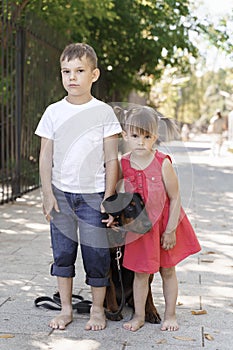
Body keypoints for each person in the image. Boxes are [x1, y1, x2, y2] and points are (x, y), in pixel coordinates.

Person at [35, 43, 122, 331]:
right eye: (66, 71)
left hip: (93, 196)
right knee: (62, 253)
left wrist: (109, 199)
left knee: (96, 254)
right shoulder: (53, 112)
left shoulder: (103, 112)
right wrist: (47, 194)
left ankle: (97, 310)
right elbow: (46, 155)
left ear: (94, 74)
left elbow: (112, 158)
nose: (72, 77)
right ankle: (66, 309)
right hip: (61, 195)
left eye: (80, 71)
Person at [114, 106, 201, 332]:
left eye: (146, 136)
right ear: (125, 135)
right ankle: (139, 315)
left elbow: (175, 197)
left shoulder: (163, 162)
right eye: (135, 136)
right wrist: (115, 217)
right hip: (141, 228)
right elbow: (117, 194)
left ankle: (170, 315)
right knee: (141, 273)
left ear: (155, 136)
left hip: (165, 225)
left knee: (168, 270)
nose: (141, 142)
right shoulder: (123, 163)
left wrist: (171, 230)